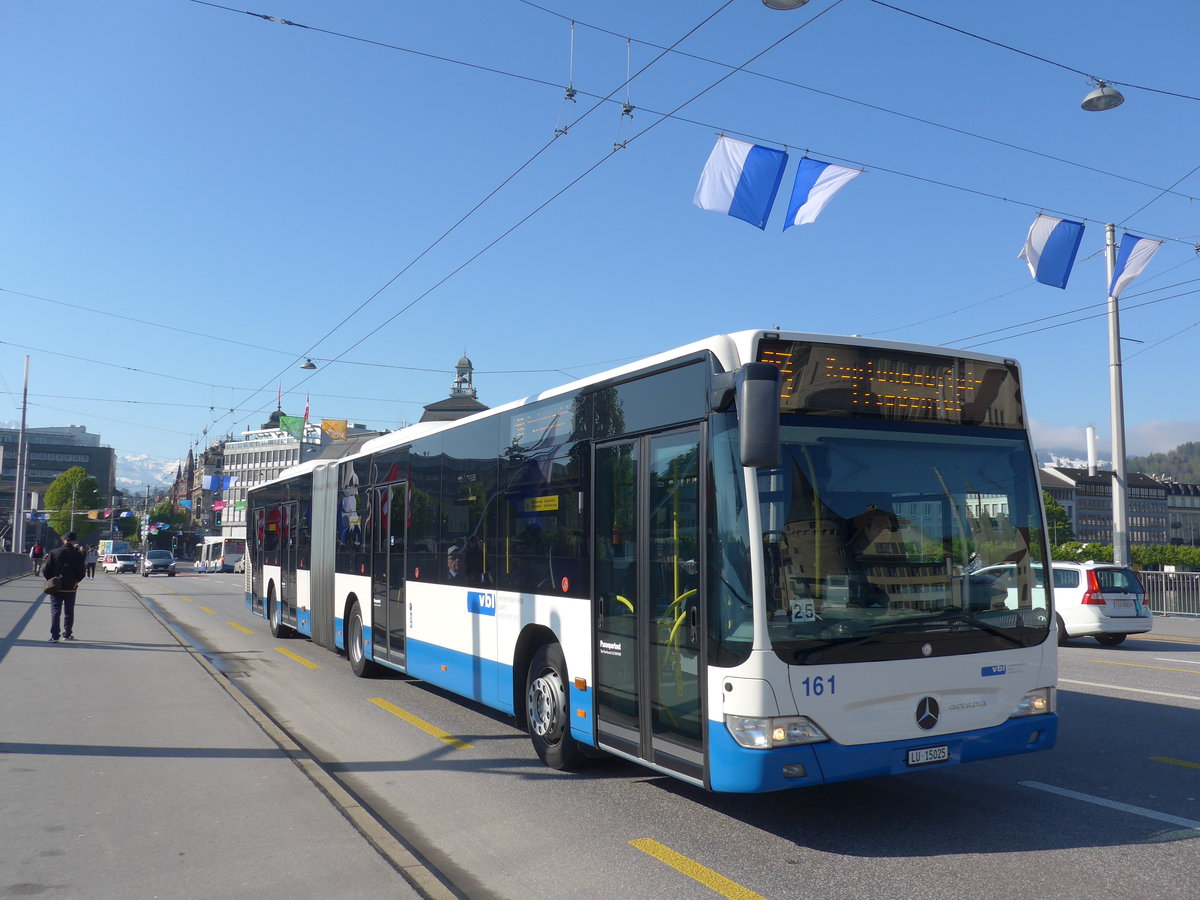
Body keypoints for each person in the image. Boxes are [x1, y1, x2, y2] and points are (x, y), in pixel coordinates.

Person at [42, 531, 87, 642]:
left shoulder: (54, 552)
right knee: (69, 611)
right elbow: (82, 572)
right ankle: (67, 634)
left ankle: (54, 636)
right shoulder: (78, 554)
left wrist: (51, 580)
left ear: (63, 540)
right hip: (71, 587)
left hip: (56, 587)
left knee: (55, 610)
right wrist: (76, 581)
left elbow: (45, 569)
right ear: (74, 541)